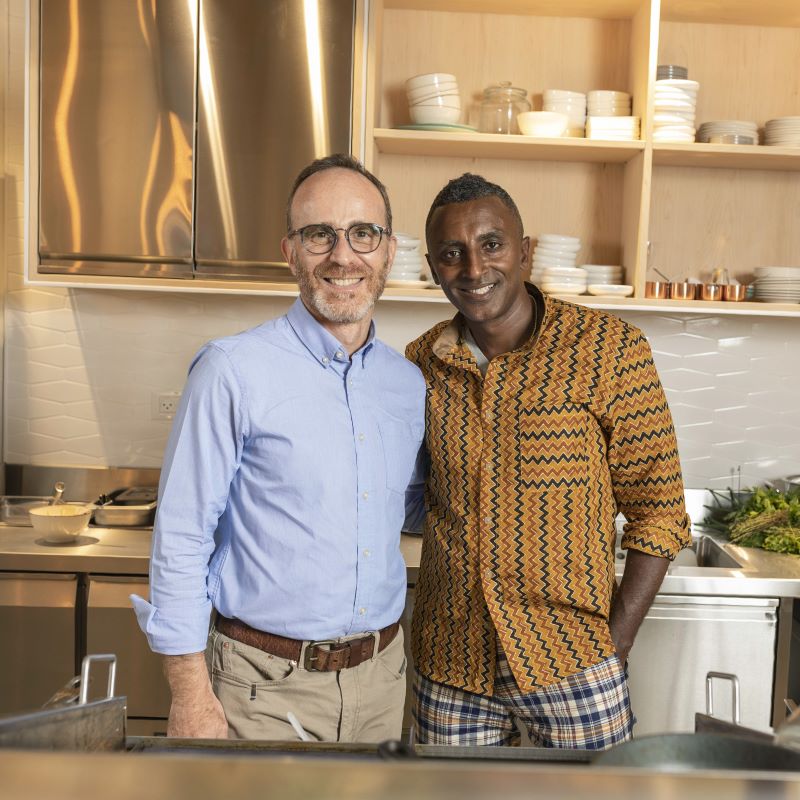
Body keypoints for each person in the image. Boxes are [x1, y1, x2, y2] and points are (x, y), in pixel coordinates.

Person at [131, 154, 425, 743]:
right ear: (290, 252)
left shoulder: (406, 383)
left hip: (384, 684)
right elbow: (183, 535)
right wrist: (190, 694)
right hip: (261, 689)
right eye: (320, 235)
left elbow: (408, 507)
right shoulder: (232, 371)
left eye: (363, 234)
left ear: (389, 251)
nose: (343, 256)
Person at [406, 173, 691, 749]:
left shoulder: (610, 350)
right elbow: (410, 494)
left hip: (573, 661)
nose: (474, 268)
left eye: (492, 244)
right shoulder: (421, 363)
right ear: (434, 267)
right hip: (451, 666)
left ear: (525, 251)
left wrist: (615, 645)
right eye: (451, 254)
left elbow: (659, 512)